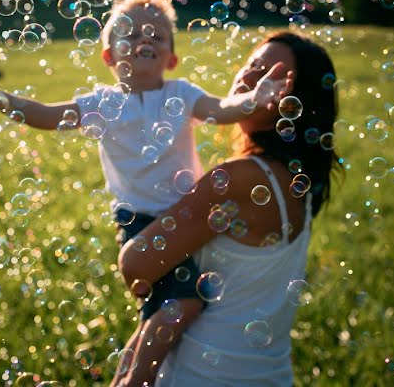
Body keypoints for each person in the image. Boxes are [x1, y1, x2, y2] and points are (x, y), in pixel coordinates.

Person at [0, 0, 293, 385]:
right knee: (185, 301)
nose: (145, 40)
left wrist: (254, 98)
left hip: (186, 218)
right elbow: (44, 114)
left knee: (162, 306)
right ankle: (138, 380)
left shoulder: (182, 94)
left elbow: (221, 109)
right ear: (109, 56)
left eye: (157, 37)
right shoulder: (102, 104)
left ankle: (125, 377)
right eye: (132, 34)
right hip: (141, 223)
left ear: (171, 58)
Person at [117, 31, 341, 386]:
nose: (250, 78)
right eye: (252, 64)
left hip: (200, 375)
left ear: (296, 105)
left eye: (270, 75)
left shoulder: (239, 179)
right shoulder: (302, 183)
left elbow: (136, 266)